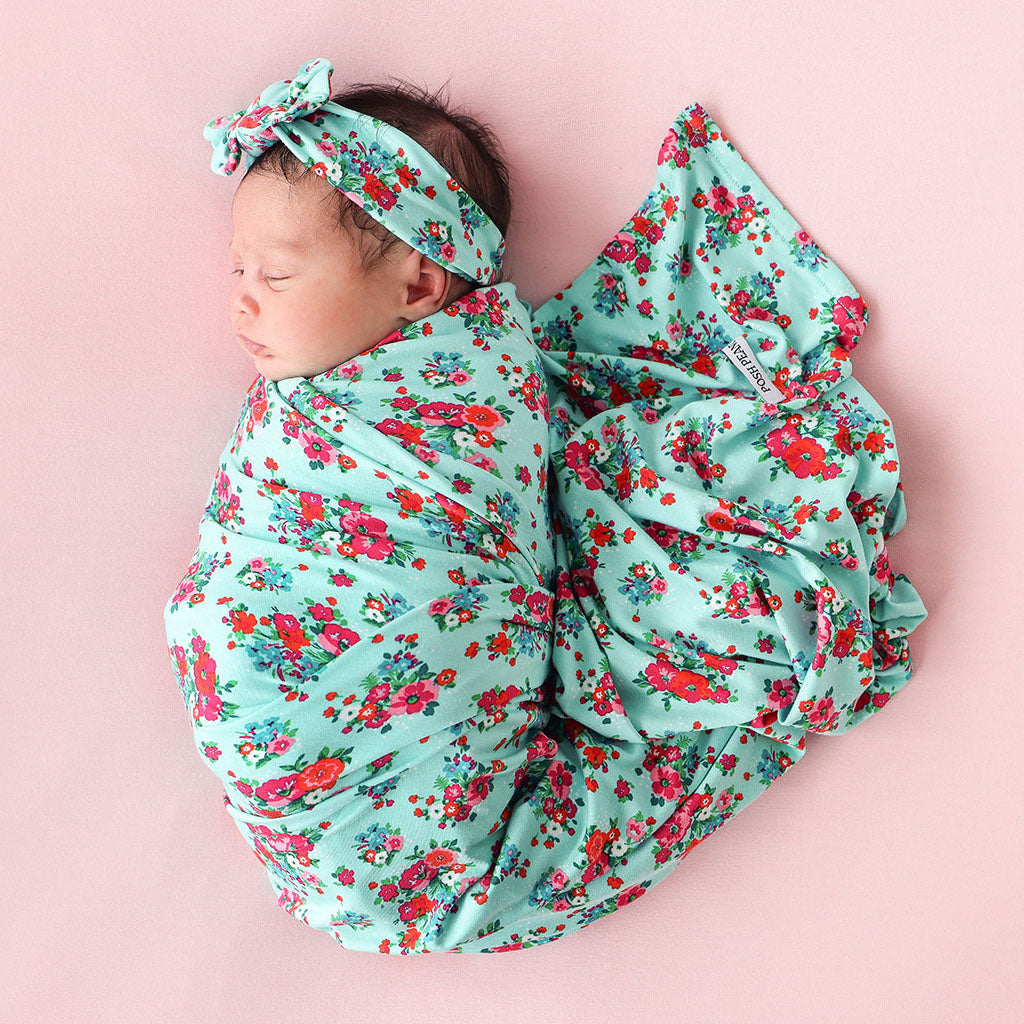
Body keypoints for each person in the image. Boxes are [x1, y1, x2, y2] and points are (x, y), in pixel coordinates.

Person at [164, 57, 928, 954]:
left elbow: (498, 521)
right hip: (300, 716)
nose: (242, 298)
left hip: (379, 789)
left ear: (418, 289)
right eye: (238, 267)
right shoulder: (327, 408)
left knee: (539, 837)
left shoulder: (471, 396)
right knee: (552, 840)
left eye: (277, 277)